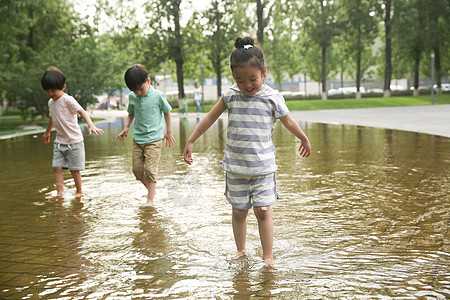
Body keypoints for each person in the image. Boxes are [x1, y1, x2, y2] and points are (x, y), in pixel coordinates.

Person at [183, 37, 311, 267]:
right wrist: (191, 140)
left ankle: (267, 256)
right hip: (236, 167)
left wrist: (303, 137)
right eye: (240, 80)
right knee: (239, 211)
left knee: (263, 212)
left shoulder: (272, 97)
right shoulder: (231, 95)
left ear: (264, 72)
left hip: (262, 168)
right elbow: (211, 117)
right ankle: (241, 250)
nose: (247, 85)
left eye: (252, 79)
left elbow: (288, 121)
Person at [117, 64, 176, 206]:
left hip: (154, 139)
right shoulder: (132, 97)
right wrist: (126, 127)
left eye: (141, 89)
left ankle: (150, 199)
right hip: (138, 139)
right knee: (137, 171)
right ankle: (152, 190)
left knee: (150, 170)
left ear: (148, 81)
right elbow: (131, 113)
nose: (138, 93)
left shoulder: (158, 96)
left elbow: (167, 112)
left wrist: (168, 132)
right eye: (134, 90)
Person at [41, 66, 104, 198]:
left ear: (63, 87)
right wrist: (47, 132)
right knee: (56, 167)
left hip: (74, 141)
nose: (51, 94)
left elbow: (82, 111)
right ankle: (59, 192)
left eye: (54, 90)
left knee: (74, 169)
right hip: (59, 142)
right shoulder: (51, 103)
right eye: (48, 91)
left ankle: (79, 191)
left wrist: (91, 125)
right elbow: (52, 118)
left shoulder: (67, 100)